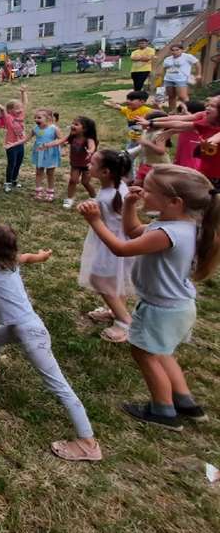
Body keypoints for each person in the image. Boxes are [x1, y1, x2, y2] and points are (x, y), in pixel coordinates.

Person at [78, 165, 217, 429]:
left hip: (161, 308)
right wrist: (130, 204)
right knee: (163, 353)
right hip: (177, 305)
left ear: (175, 202)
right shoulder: (180, 224)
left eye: (150, 190)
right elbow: (133, 231)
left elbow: (122, 248)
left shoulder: (168, 234)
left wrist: (96, 221)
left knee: (145, 354)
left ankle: (163, 410)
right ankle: (185, 402)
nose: (143, 191)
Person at [0, 218, 102, 462]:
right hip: (23, 326)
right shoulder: (9, 261)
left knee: (59, 385)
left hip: (31, 333)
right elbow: (28, 258)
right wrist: (41, 256)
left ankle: (88, 442)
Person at [77, 150, 135, 343]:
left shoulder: (106, 197)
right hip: (121, 241)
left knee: (100, 281)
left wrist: (86, 208)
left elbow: (101, 214)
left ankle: (124, 322)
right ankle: (116, 310)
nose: (88, 164)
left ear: (105, 172)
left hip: (109, 244)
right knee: (115, 280)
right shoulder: (120, 187)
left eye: (92, 164)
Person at [41, 116, 97, 208]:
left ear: (85, 129)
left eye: (76, 124)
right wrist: (47, 145)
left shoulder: (88, 139)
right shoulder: (72, 136)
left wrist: (90, 151)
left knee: (85, 182)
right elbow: (59, 141)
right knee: (72, 180)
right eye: (72, 123)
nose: (72, 126)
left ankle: (94, 197)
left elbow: (92, 146)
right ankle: (69, 199)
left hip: (87, 165)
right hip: (75, 164)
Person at [28, 108, 61, 202]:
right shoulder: (35, 129)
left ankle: (50, 192)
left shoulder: (54, 129)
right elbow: (26, 139)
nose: (36, 120)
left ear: (48, 118)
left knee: (50, 173)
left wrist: (52, 145)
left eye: (39, 117)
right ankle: (38, 191)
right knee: (39, 172)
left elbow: (61, 139)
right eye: (35, 117)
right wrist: (14, 144)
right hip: (39, 153)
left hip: (51, 153)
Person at [158, 43, 200, 112]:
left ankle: (188, 111)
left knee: (183, 97)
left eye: (177, 50)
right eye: (173, 50)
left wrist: (198, 74)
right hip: (168, 79)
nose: (175, 52)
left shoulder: (187, 56)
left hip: (181, 79)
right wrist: (162, 80)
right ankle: (173, 111)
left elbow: (197, 63)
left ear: (182, 50)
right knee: (171, 96)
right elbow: (164, 69)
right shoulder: (168, 59)